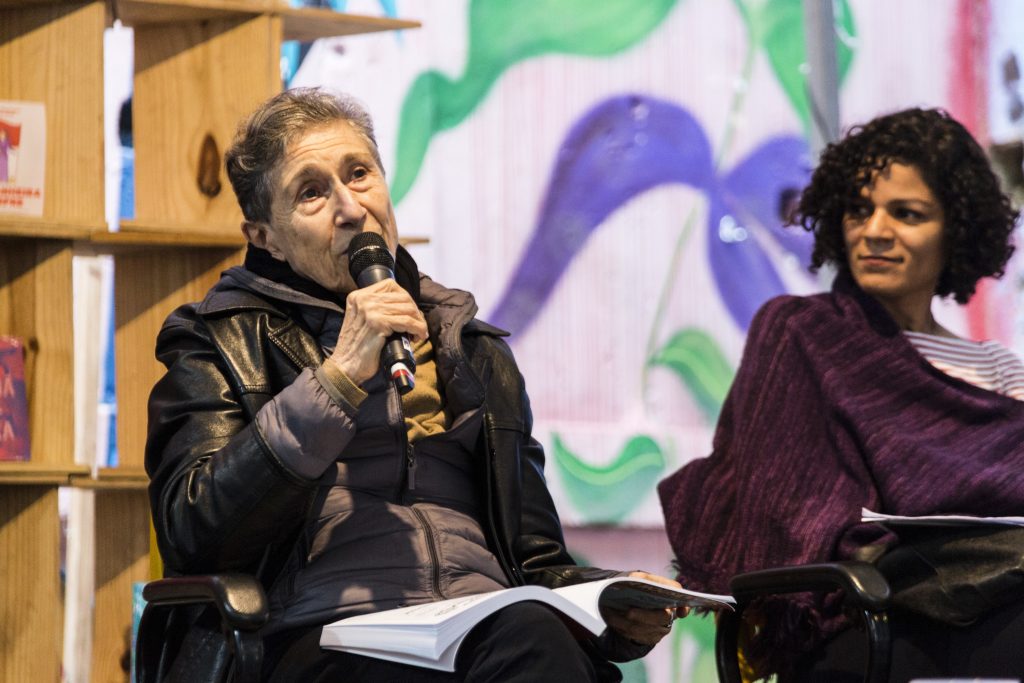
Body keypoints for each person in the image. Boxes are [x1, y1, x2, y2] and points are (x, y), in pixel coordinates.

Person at [145, 87, 682, 682]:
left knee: (538, 636)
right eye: (312, 192)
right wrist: (336, 380)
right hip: (320, 634)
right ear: (265, 236)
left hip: (483, 624)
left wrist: (612, 602)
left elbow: (536, 560)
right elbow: (195, 530)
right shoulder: (215, 338)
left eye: (360, 174)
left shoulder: (474, 349)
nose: (352, 209)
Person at [658, 107, 1024, 680]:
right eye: (858, 209)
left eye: (906, 214)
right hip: (864, 618)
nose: (874, 230)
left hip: (996, 598)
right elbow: (777, 509)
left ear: (956, 229)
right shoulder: (799, 333)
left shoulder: (999, 370)